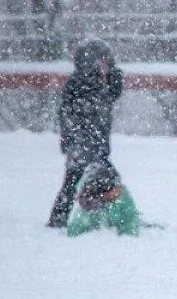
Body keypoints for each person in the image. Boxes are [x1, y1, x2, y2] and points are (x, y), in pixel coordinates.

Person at [48, 37, 124, 227]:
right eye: (105, 60)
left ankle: (63, 218)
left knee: (76, 184)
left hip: (91, 149)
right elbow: (72, 117)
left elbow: (113, 93)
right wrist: (76, 146)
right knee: (104, 181)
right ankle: (111, 219)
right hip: (85, 149)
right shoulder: (81, 86)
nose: (106, 65)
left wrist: (114, 73)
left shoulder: (96, 84)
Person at [65, 160, 142, 237]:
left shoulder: (121, 195)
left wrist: (126, 237)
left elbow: (130, 221)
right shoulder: (86, 198)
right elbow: (75, 230)